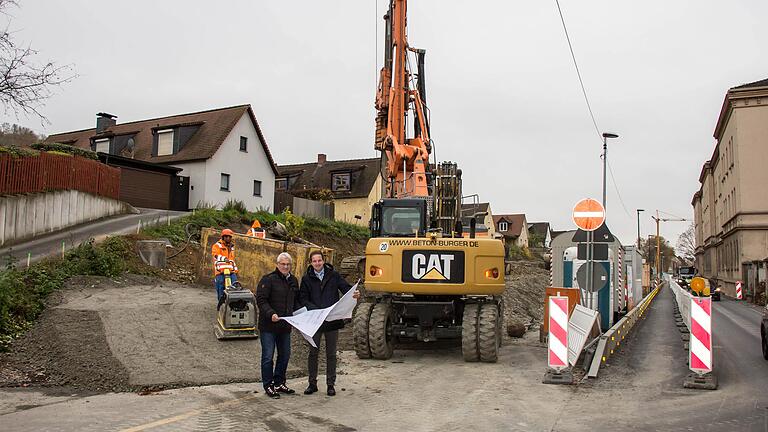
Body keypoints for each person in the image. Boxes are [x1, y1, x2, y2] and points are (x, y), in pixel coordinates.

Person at [299, 250, 360, 396]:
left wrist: (355, 294)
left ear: (323, 261)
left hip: (332, 321)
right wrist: (317, 311)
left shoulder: (334, 276)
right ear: (311, 263)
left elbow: (346, 289)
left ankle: (330, 384)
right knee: (313, 352)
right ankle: (312, 384)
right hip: (315, 321)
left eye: (319, 260)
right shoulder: (307, 279)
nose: (317, 263)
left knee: (331, 354)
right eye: (314, 261)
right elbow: (303, 299)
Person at [256, 252, 299, 399]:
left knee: (285, 355)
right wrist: (271, 314)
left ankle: (279, 382)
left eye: (288, 264)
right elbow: (261, 300)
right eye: (283, 264)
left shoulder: (294, 281)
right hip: (268, 326)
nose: (285, 266)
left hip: (285, 326)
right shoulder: (268, 280)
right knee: (268, 357)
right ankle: (268, 385)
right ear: (277, 264)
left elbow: (296, 302)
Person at [211, 229, 238, 310]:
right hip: (220, 271)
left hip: (231, 271)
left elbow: (232, 260)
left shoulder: (232, 247)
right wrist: (224, 258)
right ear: (223, 237)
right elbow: (215, 255)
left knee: (235, 286)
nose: (228, 238)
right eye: (226, 237)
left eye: (230, 237)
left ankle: (232, 305)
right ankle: (221, 306)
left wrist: (235, 270)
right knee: (220, 286)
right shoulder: (217, 245)